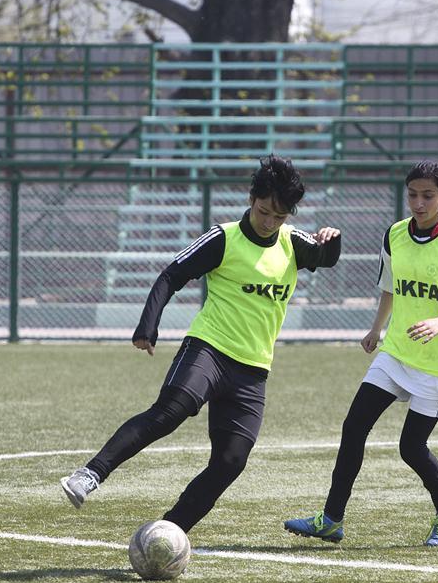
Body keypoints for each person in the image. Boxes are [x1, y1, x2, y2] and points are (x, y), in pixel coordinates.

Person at [61, 154, 341, 534]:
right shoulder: (224, 238)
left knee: (230, 461)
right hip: (208, 350)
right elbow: (170, 275)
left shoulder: (293, 243)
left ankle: (166, 533)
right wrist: (148, 326)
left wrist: (332, 239)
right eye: (263, 212)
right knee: (171, 411)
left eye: (279, 216)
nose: (269, 222)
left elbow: (325, 258)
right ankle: (91, 473)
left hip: (253, 370)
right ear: (251, 198)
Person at [284, 160, 438, 547]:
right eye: (413, 194)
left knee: (411, 448)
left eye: (428, 195)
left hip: (437, 363)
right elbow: (390, 287)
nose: (419, 202)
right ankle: (331, 519)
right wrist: (376, 329)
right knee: (354, 426)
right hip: (396, 353)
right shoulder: (395, 234)